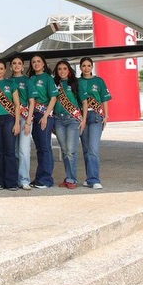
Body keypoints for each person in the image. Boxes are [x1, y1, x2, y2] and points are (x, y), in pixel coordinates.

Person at [0, 59, 21, 191]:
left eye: (1, 68)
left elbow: (17, 105)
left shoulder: (11, 83)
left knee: (10, 151)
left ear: (5, 70)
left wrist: (17, 122)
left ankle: (11, 182)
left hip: (9, 119)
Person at [78, 57, 112, 190]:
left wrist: (106, 115)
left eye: (88, 66)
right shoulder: (77, 82)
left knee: (93, 148)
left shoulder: (99, 81)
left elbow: (104, 99)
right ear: (80, 67)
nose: (86, 68)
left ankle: (95, 179)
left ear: (92, 67)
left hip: (96, 117)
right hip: (82, 116)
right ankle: (89, 178)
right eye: (84, 66)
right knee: (86, 150)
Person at [27, 54, 57, 189]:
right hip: (34, 115)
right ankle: (39, 177)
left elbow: (53, 98)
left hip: (44, 115)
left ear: (43, 64)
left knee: (45, 147)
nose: (36, 64)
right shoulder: (31, 79)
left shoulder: (48, 78)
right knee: (39, 148)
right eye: (33, 62)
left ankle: (46, 179)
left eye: (39, 61)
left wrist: (45, 116)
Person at [53, 60, 84, 189]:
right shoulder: (54, 84)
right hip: (58, 120)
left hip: (72, 119)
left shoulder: (75, 83)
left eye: (64, 68)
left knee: (71, 151)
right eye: (59, 69)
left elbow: (84, 101)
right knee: (65, 151)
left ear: (69, 70)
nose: (62, 71)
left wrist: (83, 119)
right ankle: (69, 178)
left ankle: (72, 179)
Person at [8, 55, 33, 190]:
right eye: (14, 63)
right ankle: (15, 179)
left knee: (24, 150)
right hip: (10, 118)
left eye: (19, 63)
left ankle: (24, 179)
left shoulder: (27, 81)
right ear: (10, 67)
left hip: (24, 118)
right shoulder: (7, 81)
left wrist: (28, 122)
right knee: (14, 151)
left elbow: (32, 102)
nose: (16, 65)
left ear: (23, 66)